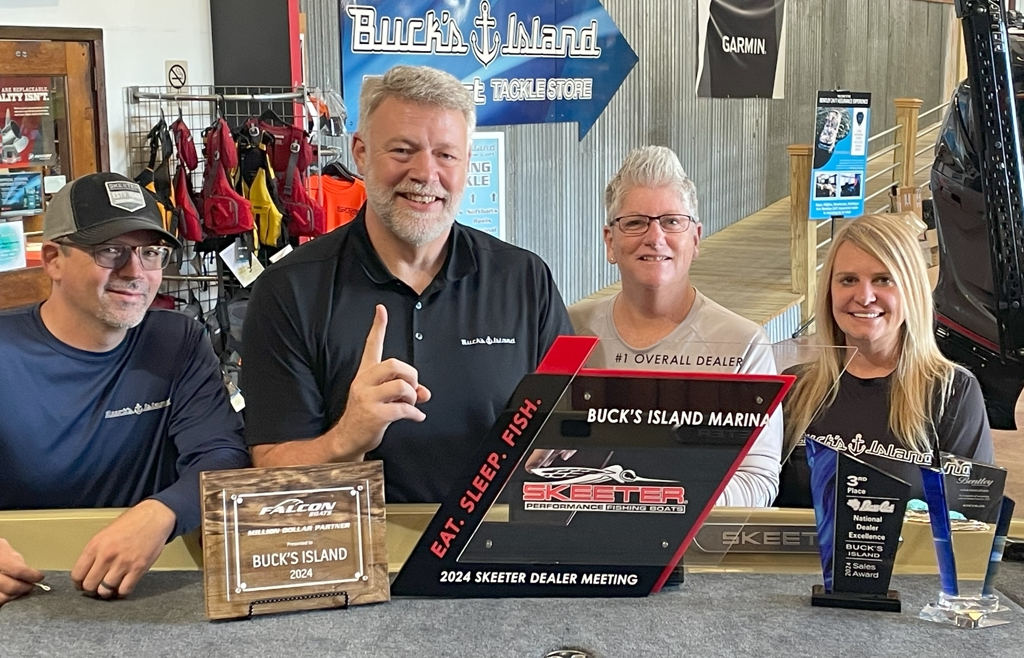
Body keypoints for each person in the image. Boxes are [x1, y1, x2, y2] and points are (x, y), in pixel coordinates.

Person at [241, 65, 573, 503]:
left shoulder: (526, 280)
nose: (425, 173)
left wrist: (567, 436)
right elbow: (268, 472)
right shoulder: (288, 292)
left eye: (446, 155)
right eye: (402, 150)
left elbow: (573, 416)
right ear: (361, 153)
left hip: (495, 543)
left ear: (467, 163)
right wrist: (346, 439)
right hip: (358, 544)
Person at [0, 172, 250, 606]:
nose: (135, 272)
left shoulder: (177, 342)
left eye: (150, 252)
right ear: (53, 259)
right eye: (110, 250)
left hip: (148, 585)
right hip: (25, 587)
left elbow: (222, 455)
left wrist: (162, 512)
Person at [569, 146, 782, 507]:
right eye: (635, 222)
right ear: (610, 241)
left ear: (695, 238)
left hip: (696, 540)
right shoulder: (568, 329)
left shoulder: (743, 344)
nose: (655, 237)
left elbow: (757, 480)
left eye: (671, 221)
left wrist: (664, 505)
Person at [775, 214, 994, 507]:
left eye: (883, 279)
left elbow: (973, 519)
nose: (864, 297)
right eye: (848, 280)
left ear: (911, 291)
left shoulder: (952, 393)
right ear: (829, 291)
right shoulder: (795, 389)